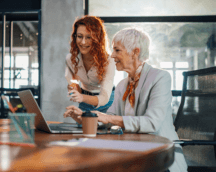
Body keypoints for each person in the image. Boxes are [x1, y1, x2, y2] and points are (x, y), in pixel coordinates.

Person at [64, 28, 188, 172]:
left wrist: (109, 118)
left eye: (117, 50)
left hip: (160, 157)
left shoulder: (160, 78)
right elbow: (108, 121)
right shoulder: (123, 85)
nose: (112, 56)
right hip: (134, 151)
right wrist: (85, 117)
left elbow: (151, 123)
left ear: (135, 52)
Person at [65, 15, 115, 113]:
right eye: (80, 36)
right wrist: (73, 89)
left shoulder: (109, 61)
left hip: (108, 103)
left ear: (97, 39)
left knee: (104, 128)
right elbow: (74, 84)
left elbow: (104, 98)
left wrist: (81, 97)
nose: (83, 42)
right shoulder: (71, 59)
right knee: (83, 128)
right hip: (85, 103)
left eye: (89, 37)